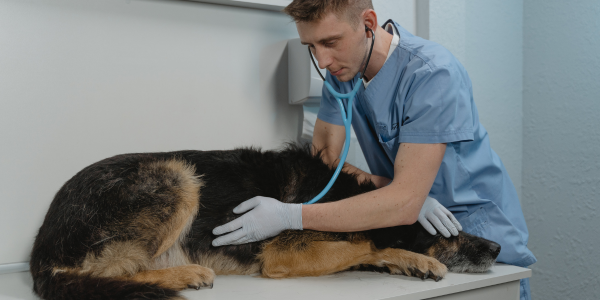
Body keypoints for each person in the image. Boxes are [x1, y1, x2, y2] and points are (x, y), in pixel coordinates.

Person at [212, 1, 536, 299]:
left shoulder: (432, 74)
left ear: (368, 23)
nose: (322, 60)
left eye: (330, 42)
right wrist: (390, 189)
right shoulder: (342, 73)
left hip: (473, 234)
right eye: (311, 46)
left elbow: (406, 204)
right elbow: (324, 160)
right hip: (412, 233)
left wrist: (289, 216)